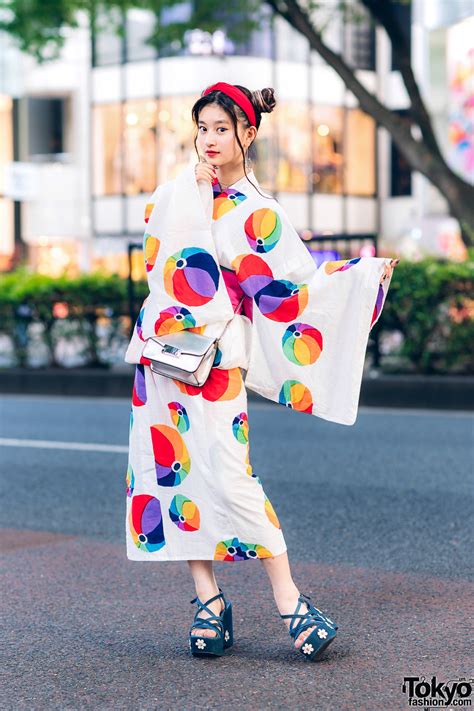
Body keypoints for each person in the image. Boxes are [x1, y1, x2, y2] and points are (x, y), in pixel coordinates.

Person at [124, 82, 399, 661]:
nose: (210, 140)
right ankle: (208, 600)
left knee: (230, 474)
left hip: (218, 358)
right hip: (164, 354)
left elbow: (293, 289)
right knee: (173, 476)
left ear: (248, 134)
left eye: (221, 129)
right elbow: (155, 256)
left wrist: (358, 278)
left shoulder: (258, 211)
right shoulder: (180, 191)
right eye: (202, 129)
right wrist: (190, 198)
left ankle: (289, 600)